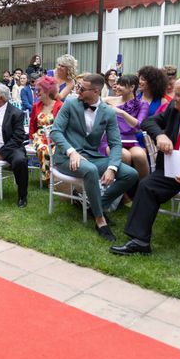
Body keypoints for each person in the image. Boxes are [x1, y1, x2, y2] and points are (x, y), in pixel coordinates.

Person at [110, 76, 180, 277]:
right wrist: (160, 135)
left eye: (177, 95)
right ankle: (140, 240)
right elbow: (149, 122)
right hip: (174, 168)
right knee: (147, 185)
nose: (173, 99)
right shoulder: (175, 109)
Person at [50, 74, 139, 241]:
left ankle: (96, 205)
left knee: (130, 174)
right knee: (90, 170)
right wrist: (72, 151)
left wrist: (112, 168)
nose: (78, 90)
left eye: (82, 89)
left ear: (96, 91)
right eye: (78, 87)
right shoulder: (70, 104)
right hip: (66, 157)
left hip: (92, 156)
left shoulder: (108, 112)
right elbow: (56, 132)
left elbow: (115, 143)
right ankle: (100, 220)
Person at [102, 74, 150, 179]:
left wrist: (122, 113)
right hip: (111, 139)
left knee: (140, 156)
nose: (117, 87)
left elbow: (138, 126)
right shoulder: (109, 100)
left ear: (132, 87)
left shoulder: (142, 104)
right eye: (118, 84)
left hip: (131, 140)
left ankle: (141, 189)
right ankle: (124, 192)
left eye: (122, 85)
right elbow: (93, 100)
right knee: (124, 156)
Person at [29, 76, 63, 182]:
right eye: (36, 90)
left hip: (54, 136)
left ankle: (53, 177)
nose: (37, 93)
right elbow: (32, 124)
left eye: (39, 90)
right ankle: (49, 179)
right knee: (44, 148)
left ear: (48, 91)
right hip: (39, 136)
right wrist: (30, 138)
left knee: (53, 150)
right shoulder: (36, 106)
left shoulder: (60, 105)